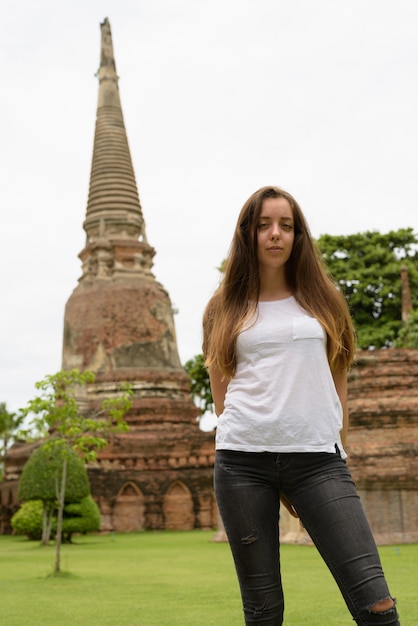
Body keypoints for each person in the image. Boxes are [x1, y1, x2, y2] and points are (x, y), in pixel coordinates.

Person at [202, 186, 400, 626]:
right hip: (242, 463)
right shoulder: (223, 307)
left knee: (377, 604)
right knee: (263, 610)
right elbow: (222, 394)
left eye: (286, 226)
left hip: (318, 463)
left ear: (298, 235)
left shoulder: (323, 299)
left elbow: (338, 382)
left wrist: (337, 451)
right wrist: (264, 433)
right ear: (247, 234)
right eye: (264, 225)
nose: (276, 234)